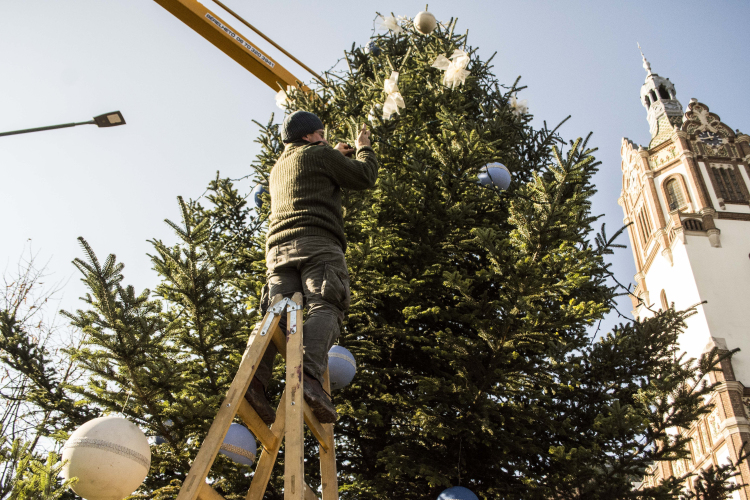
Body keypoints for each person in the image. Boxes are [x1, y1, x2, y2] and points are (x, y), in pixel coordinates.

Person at [244, 110, 379, 424]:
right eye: (321, 133)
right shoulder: (319, 154)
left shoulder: (279, 167)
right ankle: (308, 377)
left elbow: (313, 171)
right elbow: (364, 177)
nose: (325, 138)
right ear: (307, 136)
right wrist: (364, 148)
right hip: (317, 242)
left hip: (277, 252)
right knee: (327, 303)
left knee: (277, 316)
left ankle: (254, 381)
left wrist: (332, 154)